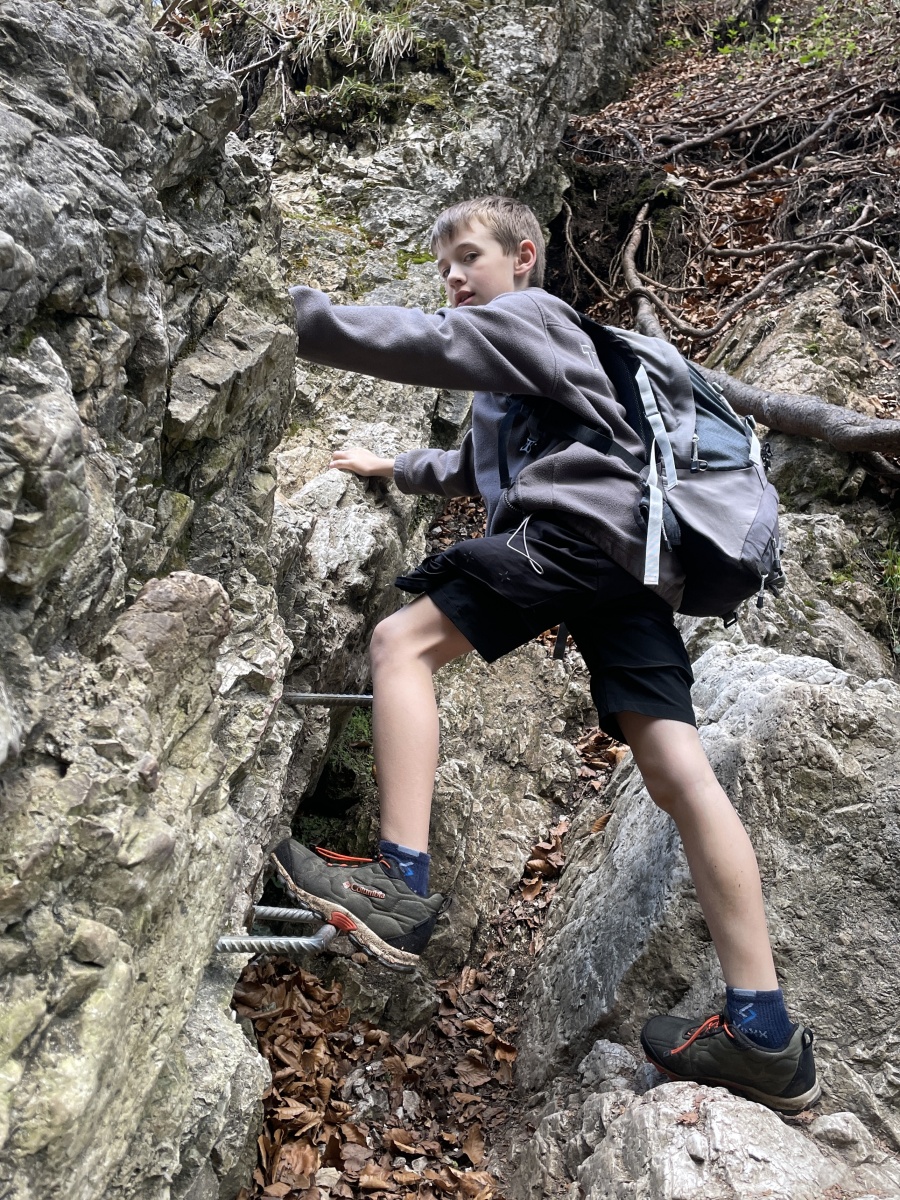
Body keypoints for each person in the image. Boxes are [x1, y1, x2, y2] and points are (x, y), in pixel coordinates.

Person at [273, 196, 819, 1113]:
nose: (454, 278)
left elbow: (427, 344)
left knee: (400, 642)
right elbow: (475, 466)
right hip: (631, 568)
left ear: (523, 256)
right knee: (679, 768)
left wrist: (290, 318)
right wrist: (392, 466)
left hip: (571, 539)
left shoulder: (531, 315)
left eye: (469, 257)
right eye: (444, 266)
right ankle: (765, 1031)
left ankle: (400, 883)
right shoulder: (530, 370)